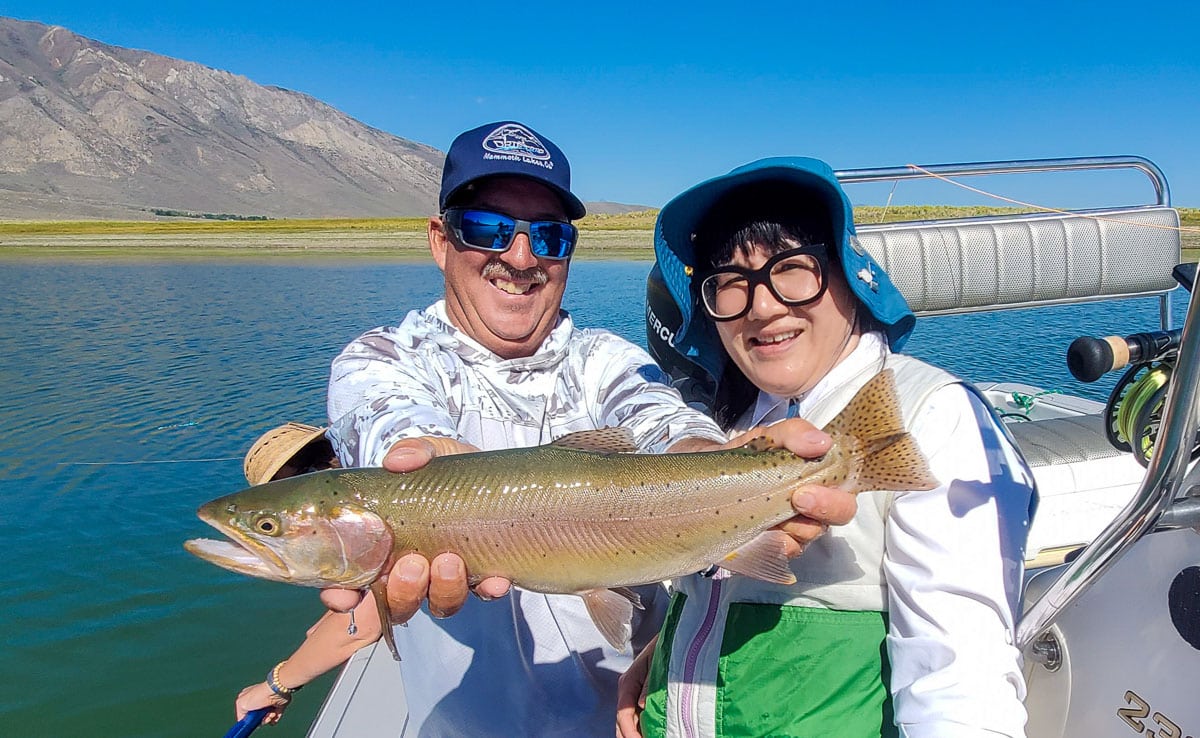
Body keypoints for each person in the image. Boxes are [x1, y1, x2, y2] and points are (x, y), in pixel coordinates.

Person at [233, 123, 858, 734]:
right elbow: (388, 424)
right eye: (488, 229)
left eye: (550, 237)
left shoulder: (608, 359)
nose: (521, 257)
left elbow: (665, 424)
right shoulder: (381, 360)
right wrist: (424, 459)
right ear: (439, 240)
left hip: (632, 717)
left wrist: (715, 458)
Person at [616, 158, 1037, 738]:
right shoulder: (735, 423)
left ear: (847, 272)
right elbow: (719, 592)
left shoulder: (931, 415)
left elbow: (958, 677)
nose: (762, 306)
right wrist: (667, 659)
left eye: (791, 268)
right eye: (730, 284)